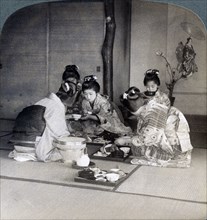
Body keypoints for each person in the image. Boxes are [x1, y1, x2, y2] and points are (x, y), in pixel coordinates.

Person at [116, 71, 193, 168]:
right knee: (138, 142)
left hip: (169, 134)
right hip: (159, 128)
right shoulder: (147, 104)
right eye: (147, 86)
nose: (150, 89)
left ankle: (171, 154)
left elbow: (148, 136)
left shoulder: (154, 110)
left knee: (141, 149)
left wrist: (127, 140)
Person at [9, 86, 71, 162]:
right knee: (66, 149)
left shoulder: (42, 101)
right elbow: (58, 131)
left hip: (17, 145)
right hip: (32, 147)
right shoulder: (58, 106)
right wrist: (69, 135)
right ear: (65, 103)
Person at [57, 65, 83, 133]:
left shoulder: (83, 93)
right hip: (64, 125)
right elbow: (67, 103)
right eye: (68, 81)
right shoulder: (61, 93)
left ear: (78, 81)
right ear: (64, 82)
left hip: (80, 125)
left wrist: (78, 92)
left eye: (73, 80)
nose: (70, 84)